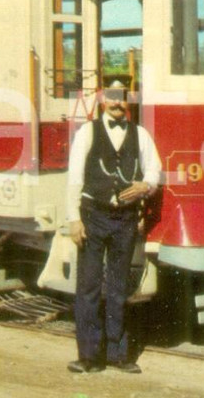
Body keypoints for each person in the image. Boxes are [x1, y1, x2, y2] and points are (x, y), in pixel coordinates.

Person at [65, 79, 161, 374]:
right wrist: (73, 219)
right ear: (103, 99)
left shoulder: (140, 134)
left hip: (125, 220)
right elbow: (74, 178)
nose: (118, 103)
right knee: (90, 286)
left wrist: (145, 186)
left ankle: (120, 355)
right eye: (112, 97)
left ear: (128, 101)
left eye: (122, 98)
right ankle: (89, 357)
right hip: (93, 215)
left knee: (119, 288)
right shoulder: (87, 132)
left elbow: (155, 170)